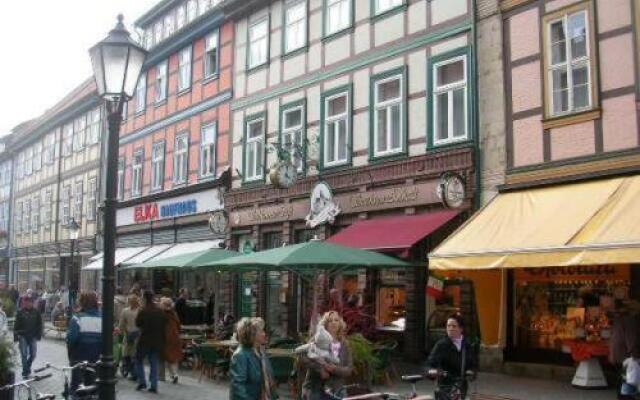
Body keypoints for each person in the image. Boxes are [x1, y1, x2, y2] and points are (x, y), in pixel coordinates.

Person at [301, 311, 353, 400]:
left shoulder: (345, 344)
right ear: (325, 324)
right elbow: (304, 358)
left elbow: (349, 369)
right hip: (316, 389)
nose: (333, 323)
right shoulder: (317, 339)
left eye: (336, 320)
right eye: (330, 320)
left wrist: (334, 369)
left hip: (337, 390)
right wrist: (320, 369)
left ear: (340, 324)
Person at [425, 314, 476, 400]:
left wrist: (471, 372)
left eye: (454, 326)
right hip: (445, 387)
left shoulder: (467, 345)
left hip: (461, 387)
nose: (450, 328)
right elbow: (429, 364)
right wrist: (432, 371)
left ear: (461, 329)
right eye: (448, 326)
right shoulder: (441, 345)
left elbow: (473, 364)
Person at [229, 317, 277, 400]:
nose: (264, 334)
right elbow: (238, 388)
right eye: (261, 331)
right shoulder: (240, 355)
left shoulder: (261, 352)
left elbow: (268, 379)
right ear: (252, 335)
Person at [67, 292, 102, 396]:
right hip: (96, 355)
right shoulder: (103, 318)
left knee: (76, 385)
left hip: (79, 354)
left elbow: (72, 338)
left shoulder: (77, 318)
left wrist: (70, 354)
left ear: (82, 302)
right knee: (91, 384)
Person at [135, 291, 166, 393]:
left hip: (144, 340)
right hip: (157, 340)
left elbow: (138, 323)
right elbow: (164, 325)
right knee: (154, 362)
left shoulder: (143, 311)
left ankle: (142, 381)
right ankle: (154, 385)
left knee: (138, 360)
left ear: (144, 298)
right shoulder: (160, 311)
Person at [13, 295, 43, 378]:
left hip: (33, 336)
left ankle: (27, 367)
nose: (26, 304)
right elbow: (16, 326)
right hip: (23, 336)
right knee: (24, 354)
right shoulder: (20, 312)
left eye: (28, 302)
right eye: (24, 302)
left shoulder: (36, 312)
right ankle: (25, 372)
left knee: (33, 354)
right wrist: (15, 337)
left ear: (31, 302)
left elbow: (40, 324)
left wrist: (39, 335)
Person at [160, 297, 182, 384]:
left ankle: (172, 375)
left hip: (166, 338)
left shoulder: (162, 314)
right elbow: (179, 325)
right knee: (174, 357)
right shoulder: (174, 314)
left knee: (168, 357)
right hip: (175, 337)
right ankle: (174, 375)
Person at [119, 294, 141, 381]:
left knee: (126, 353)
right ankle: (134, 372)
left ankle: (128, 369)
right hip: (138, 335)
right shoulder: (140, 311)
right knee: (134, 354)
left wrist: (121, 331)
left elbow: (122, 324)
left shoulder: (125, 311)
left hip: (128, 334)